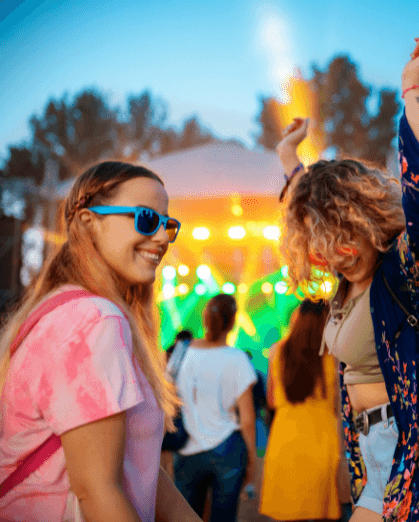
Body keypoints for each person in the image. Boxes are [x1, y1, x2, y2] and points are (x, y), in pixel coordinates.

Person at [276, 33, 419, 521]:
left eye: (340, 235)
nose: (329, 251)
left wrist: (413, 89)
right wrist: (288, 160)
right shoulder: (346, 282)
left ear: (365, 221)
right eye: (318, 242)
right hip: (377, 447)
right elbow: (307, 203)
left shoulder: (407, 272)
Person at [0, 161, 201, 522]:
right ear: (90, 223)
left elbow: (136, 467)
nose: (161, 238)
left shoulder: (64, 309)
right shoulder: (93, 318)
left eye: (168, 226)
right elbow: (97, 491)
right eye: (145, 219)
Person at [174, 294, 257, 522]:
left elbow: (166, 398)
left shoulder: (180, 353)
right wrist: (251, 461)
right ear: (232, 322)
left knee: (186, 516)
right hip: (228, 449)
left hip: (187, 450)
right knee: (224, 517)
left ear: (204, 319)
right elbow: (248, 420)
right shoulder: (238, 358)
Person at [259, 299, 343, 522]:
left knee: (286, 513)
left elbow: (270, 400)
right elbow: (339, 403)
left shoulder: (278, 350)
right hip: (323, 438)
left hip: (285, 439)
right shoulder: (333, 354)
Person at [161, 329, 194, 480]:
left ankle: (169, 480)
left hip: (168, 407)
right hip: (186, 409)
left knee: (166, 454)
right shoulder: (194, 354)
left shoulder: (168, 352)